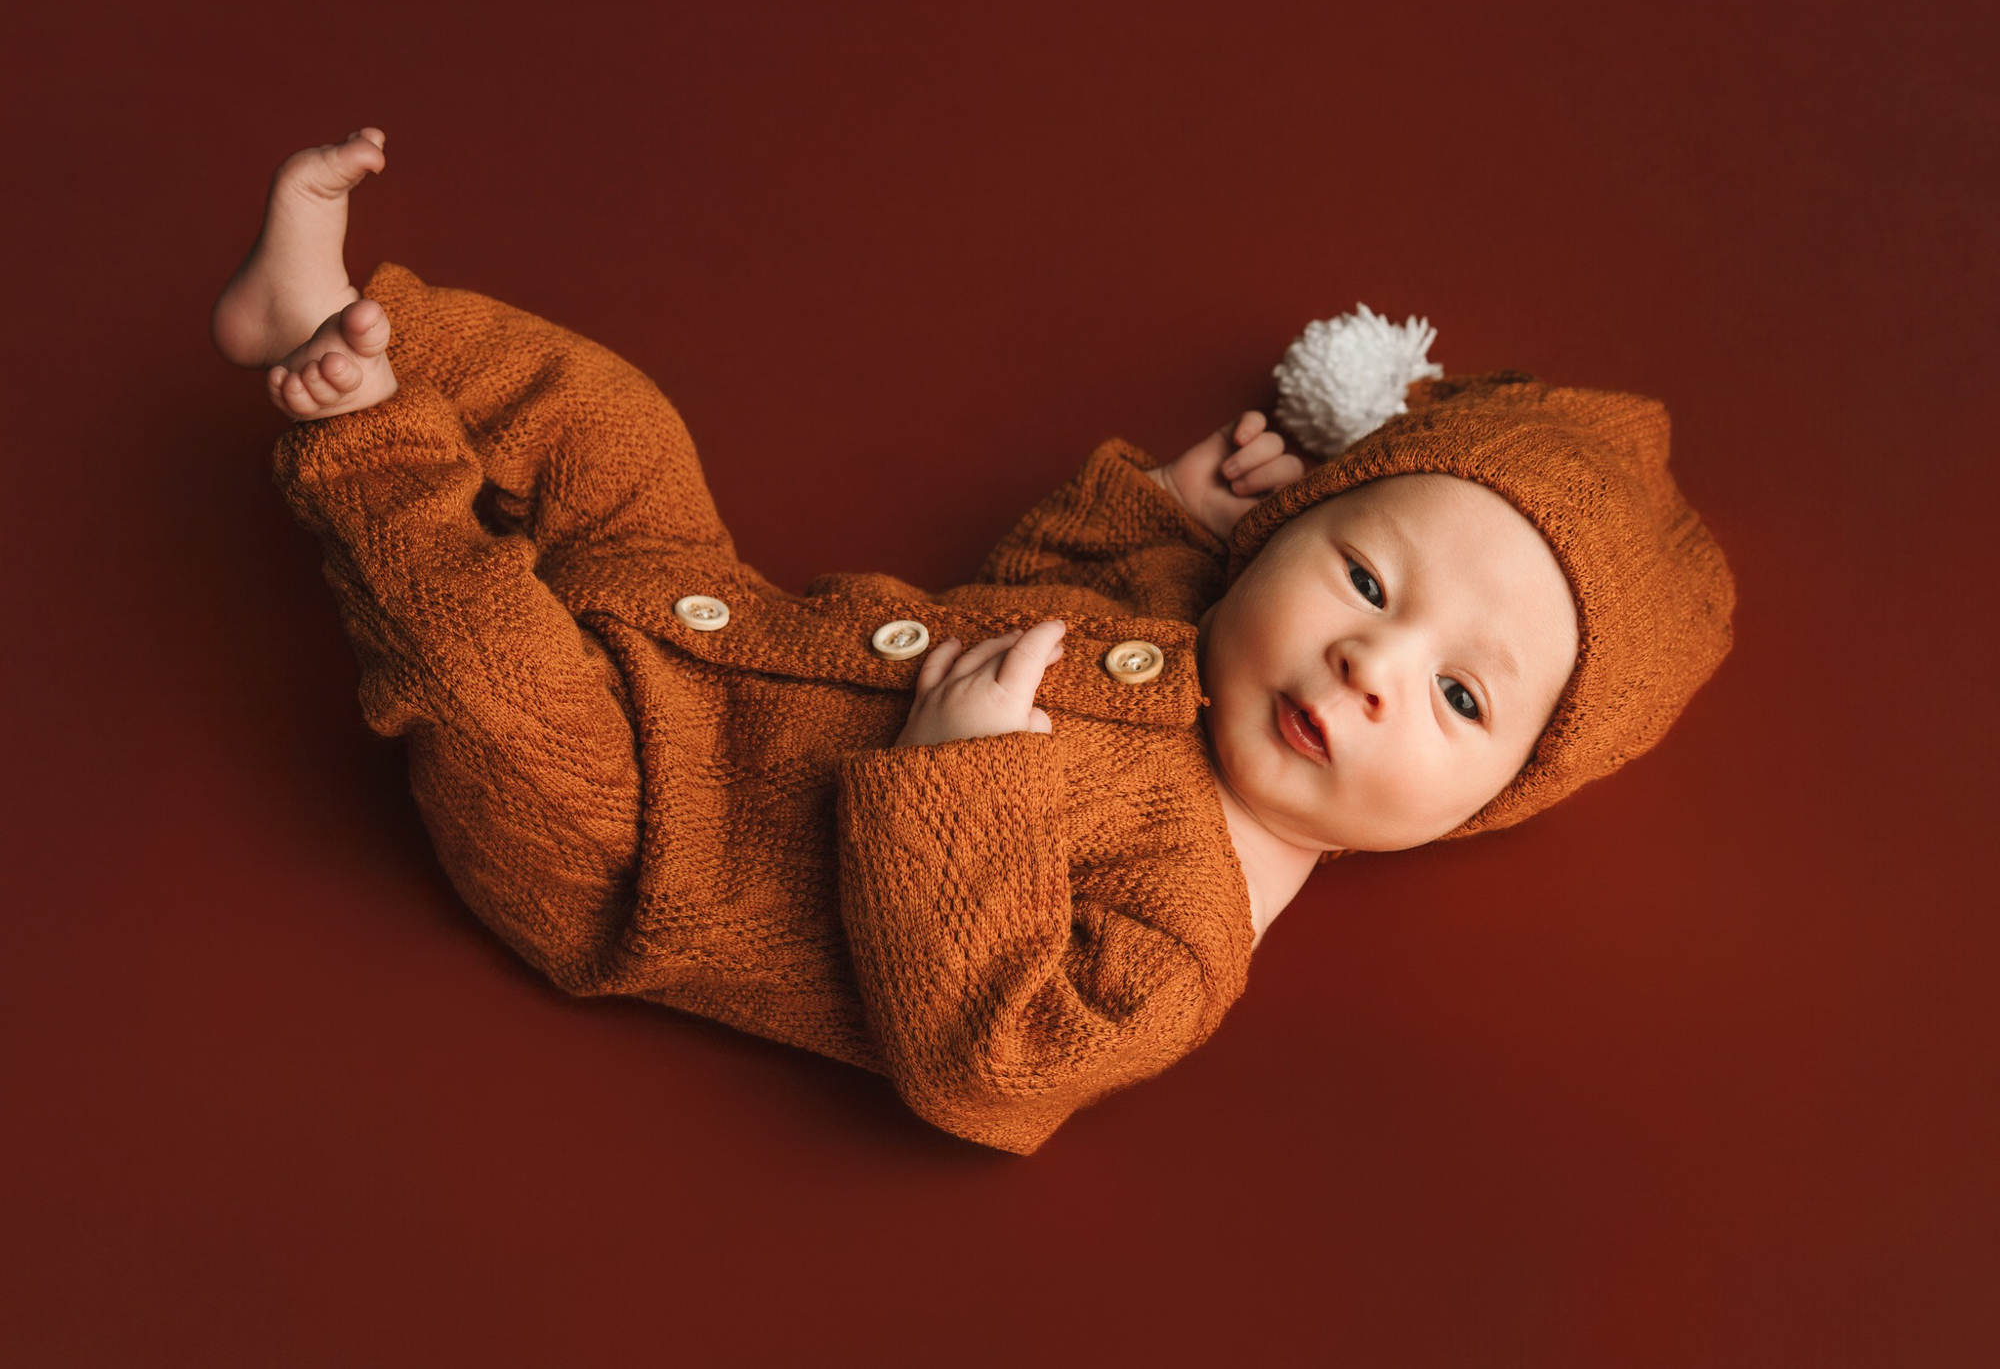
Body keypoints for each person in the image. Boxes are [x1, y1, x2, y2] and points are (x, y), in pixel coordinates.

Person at [214, 128, 1735, 1155]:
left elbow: (989, 1069)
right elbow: (1029, 590)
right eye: (1365, 581)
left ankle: (362, 438)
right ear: (1283, 541)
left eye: (1459, 697)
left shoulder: (1190, 940)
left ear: (1501, 799)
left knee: (485, 666)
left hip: (626, 837)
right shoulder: (1184, 635)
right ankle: (336, 314)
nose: (1370, 666)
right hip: (712, 608)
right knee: (617, 425)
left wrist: (966, 785)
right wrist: (1160, 510)